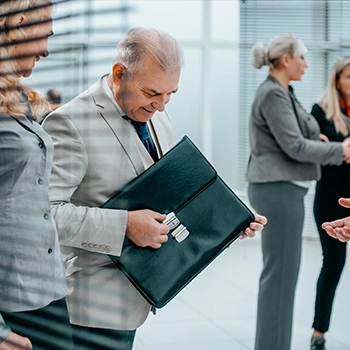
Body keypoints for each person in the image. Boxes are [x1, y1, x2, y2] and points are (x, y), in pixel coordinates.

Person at [41, 27, 267, 350]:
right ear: (119, 73)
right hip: (89, 309)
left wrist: (227, 223)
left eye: (170, 94)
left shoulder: (156, 117)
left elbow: (166, 197)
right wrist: (125, 226)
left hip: (136, 297)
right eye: (152, 93)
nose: (161, 106)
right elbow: (45, 213)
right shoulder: (70, 123)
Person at [246, 34, 350, 350]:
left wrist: (317, 138)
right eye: (302, 57)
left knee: (284, 278)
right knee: (279, 279)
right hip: (276, 190)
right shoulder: (273, 95)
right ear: (286, 59)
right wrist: (341, 150)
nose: (306, 63)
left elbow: (296, 135)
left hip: (283, 190)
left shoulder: (283, 92)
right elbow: (293, 146)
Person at [0, 1, 73, 349]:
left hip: (46, 288)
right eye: (45, 35)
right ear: (18, 26)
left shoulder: (15, 95)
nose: (46, 48)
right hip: (11, 303)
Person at [309, 56, 350, 350]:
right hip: (330, 199)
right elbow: (318, 154)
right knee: (333, 264)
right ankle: (318, 332)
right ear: (337, 80)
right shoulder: (320, 110)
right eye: (349, 76)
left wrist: (336, 149)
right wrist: (338, 151)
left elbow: (333, 149)